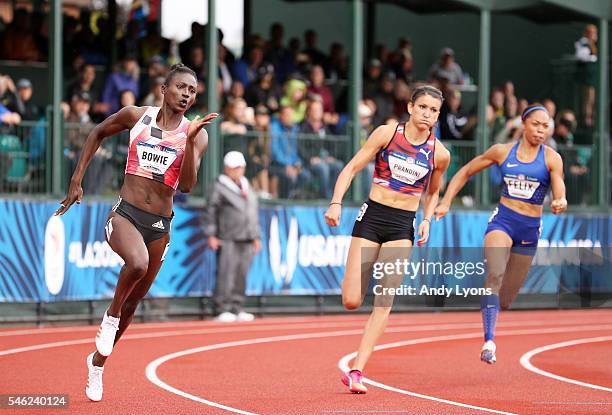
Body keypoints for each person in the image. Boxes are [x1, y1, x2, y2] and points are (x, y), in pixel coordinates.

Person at [54, 64, 218, 402]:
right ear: (164, 88)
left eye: (192, 90)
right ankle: (109, 316)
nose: (187, 94)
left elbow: (187, 186)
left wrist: (187, 143)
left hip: (159, 225)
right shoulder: (136, 116)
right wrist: (76, 180)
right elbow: (97, 132)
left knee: (135, 303)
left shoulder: (197, 133)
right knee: (137, 263)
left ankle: (97, 364)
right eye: (181, 87)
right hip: (125, 214)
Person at [324, 85, 450, 393]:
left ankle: (357, 370)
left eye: (433, 110)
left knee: (384, 300)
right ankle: (354, 286)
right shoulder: (386, 134)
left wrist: (428, 219)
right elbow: (352, 167)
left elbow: (433, 192)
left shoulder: (439, 153)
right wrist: (336, 202)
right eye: (422, 107)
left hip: (402, 226)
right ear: (410, 108)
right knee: (352, 300)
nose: (427, 114)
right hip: (372, 217)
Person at [434, 104, 567, 365]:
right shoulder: (502, 152)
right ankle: (489, 341)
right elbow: (464, 172)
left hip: (529, 229)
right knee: (494, 274)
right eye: (536, 125)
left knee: (504, 299)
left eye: (545, 126)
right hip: (503, 222)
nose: (541, 130)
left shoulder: (552, 158)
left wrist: (560, 200)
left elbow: (559, 186)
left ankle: (492, 317)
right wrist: (446, 201)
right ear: (524, 124)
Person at [205, 151, 262, 322]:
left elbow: (253, 213)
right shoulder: (219, 186)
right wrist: (212, 234)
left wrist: (256, 236)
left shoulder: (246, 185)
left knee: (241, 274)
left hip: (247, 237)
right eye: (236, 168)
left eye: (241, 167)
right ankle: (222, 308)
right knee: (226, 273)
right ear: (228, 169)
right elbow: (211, 211)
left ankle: (237, 306)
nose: (239, 171)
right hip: (227, 236)